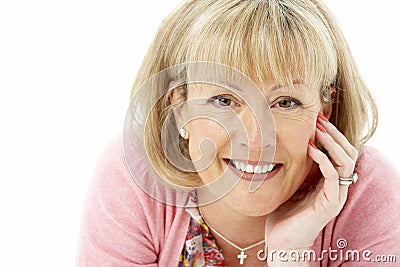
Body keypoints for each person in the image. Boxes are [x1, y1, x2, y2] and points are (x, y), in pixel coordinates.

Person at [77, 0, 400, 266]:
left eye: (286, 102)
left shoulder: (366, 189)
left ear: (323, 112)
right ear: (180, 107)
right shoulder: (137, 172)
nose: (256, 139)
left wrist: (291, 254)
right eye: (224, 100)